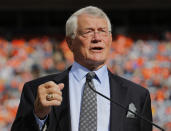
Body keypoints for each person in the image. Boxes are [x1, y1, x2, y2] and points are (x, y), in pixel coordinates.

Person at [11, 6, 152, 131]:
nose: (97, 38)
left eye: (103, 31)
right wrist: (38, 115)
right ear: (70, 42)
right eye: (88, 32)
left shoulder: (138, 95)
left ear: (110, 39)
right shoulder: (37, 91)